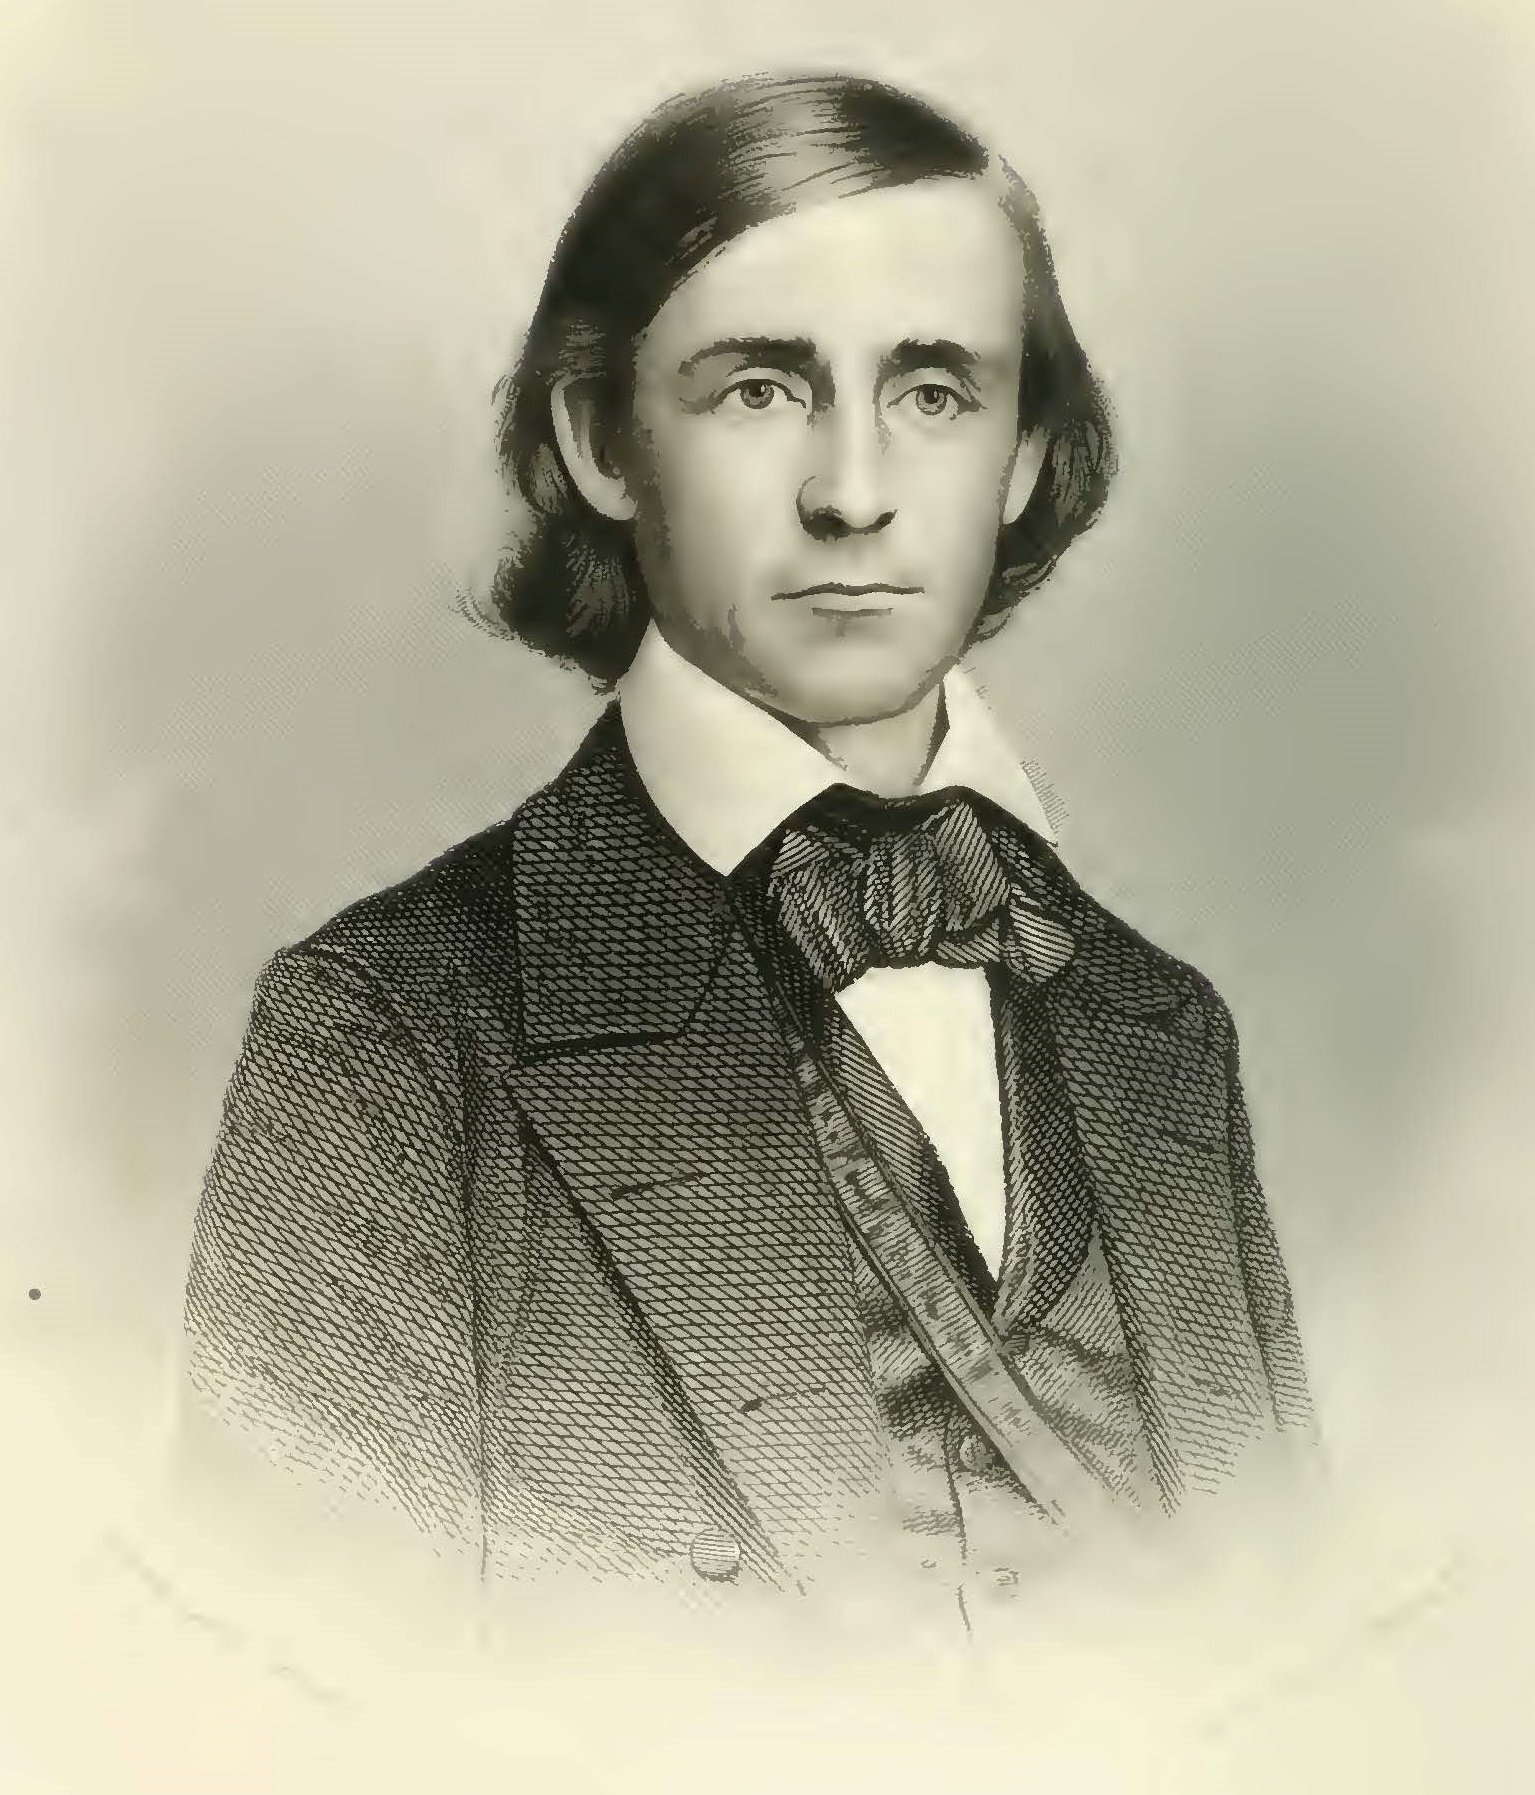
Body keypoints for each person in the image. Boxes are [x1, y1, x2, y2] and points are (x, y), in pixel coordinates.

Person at [182, 71, 1314, 1634]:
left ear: (1025, 455)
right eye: (760, 390)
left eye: (934, 393)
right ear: (601, 440)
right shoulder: (386, 1036)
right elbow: (300, 1723)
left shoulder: (1163, 1031)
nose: (853, 494)